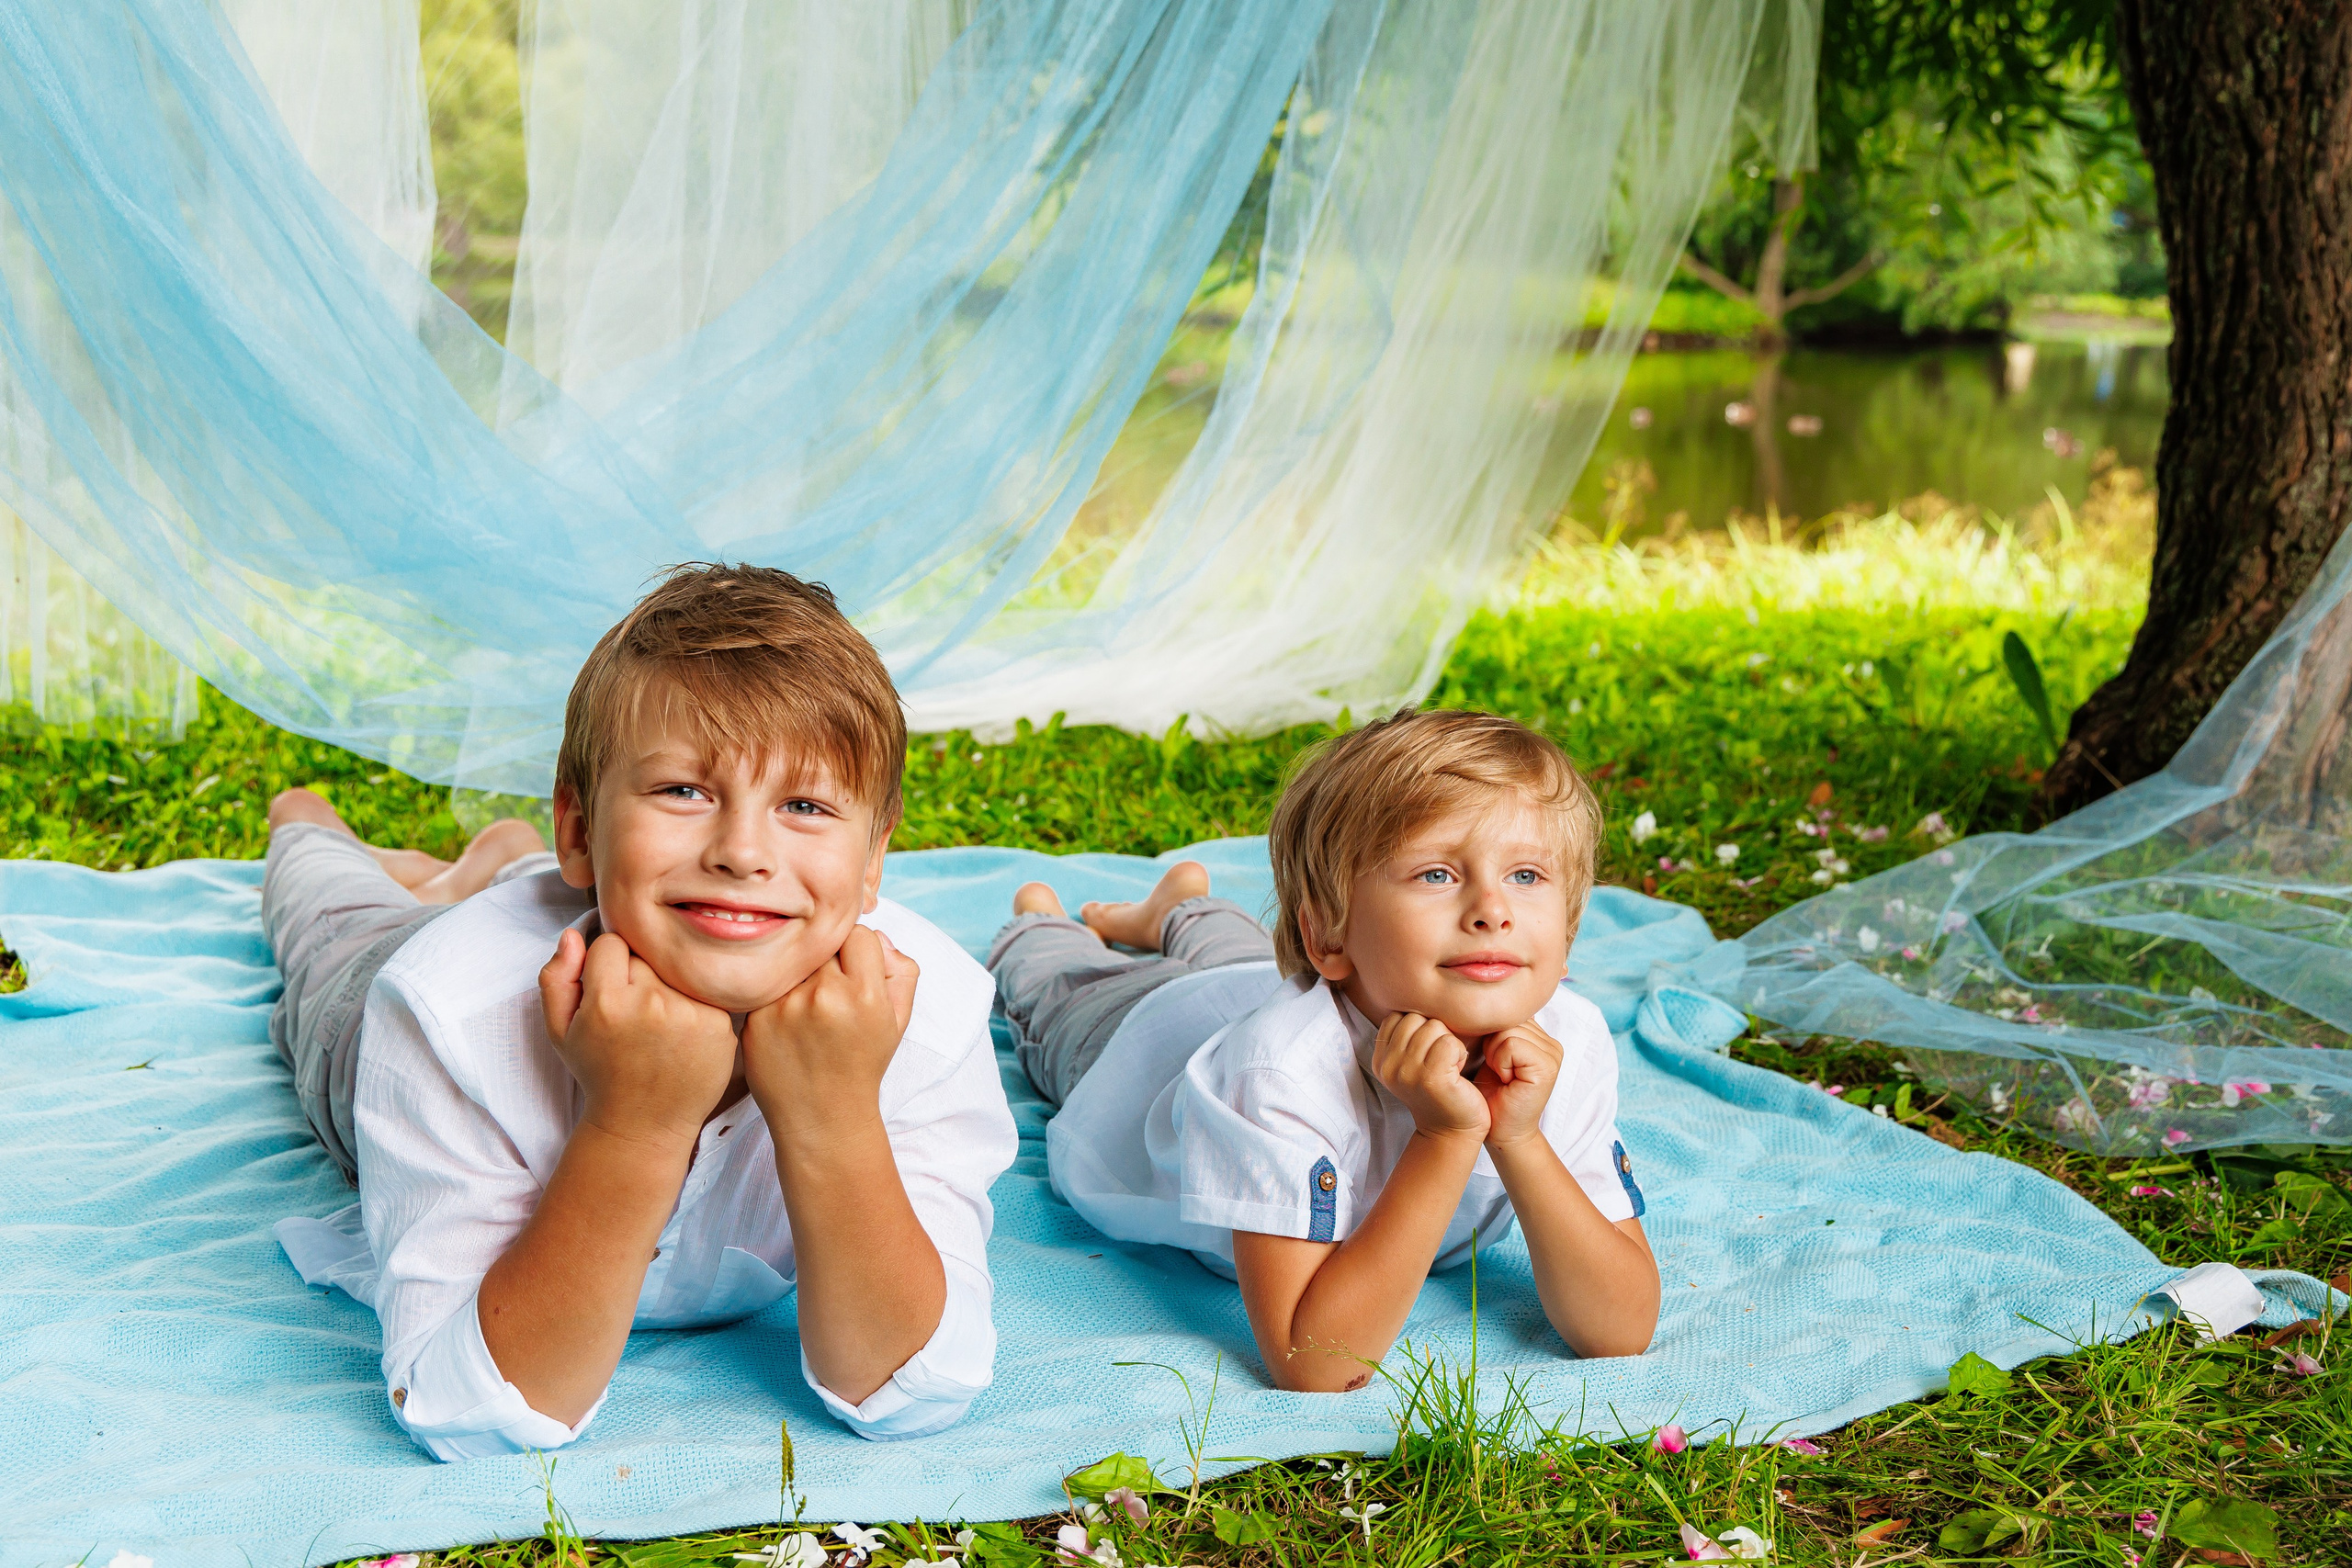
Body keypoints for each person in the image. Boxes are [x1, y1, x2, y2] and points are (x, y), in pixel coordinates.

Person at [265, 564, 1015, 1460]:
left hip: (607, 903)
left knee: (523, 887)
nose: (742, 852)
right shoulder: (442, 1010)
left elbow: (916, 1390)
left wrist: (834, 1111)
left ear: (871, 863)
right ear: (579, 828)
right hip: (364, 992)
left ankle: (500, 860)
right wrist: (635, 1123)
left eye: (804, 805)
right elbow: (464, 1412)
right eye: (683, 792)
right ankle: (306, 825)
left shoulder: (931, 1009)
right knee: (328, 920)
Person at [1001, 709, 1658, 1393]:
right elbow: (1312, 1362)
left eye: (1526, 875)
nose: (1492, 910)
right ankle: (1041, 921)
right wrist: (1444, 1135)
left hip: (1274, 979)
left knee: (1241, 952)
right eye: (1436, 874)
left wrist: (1519, 1138)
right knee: (1061, 989)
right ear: (1329, 939)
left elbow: (1620, 1329)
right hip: (1140, 1041)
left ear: (1570, 927)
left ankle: (1177, 908)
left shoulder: (1569, 1040)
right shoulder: (1279, 1073)